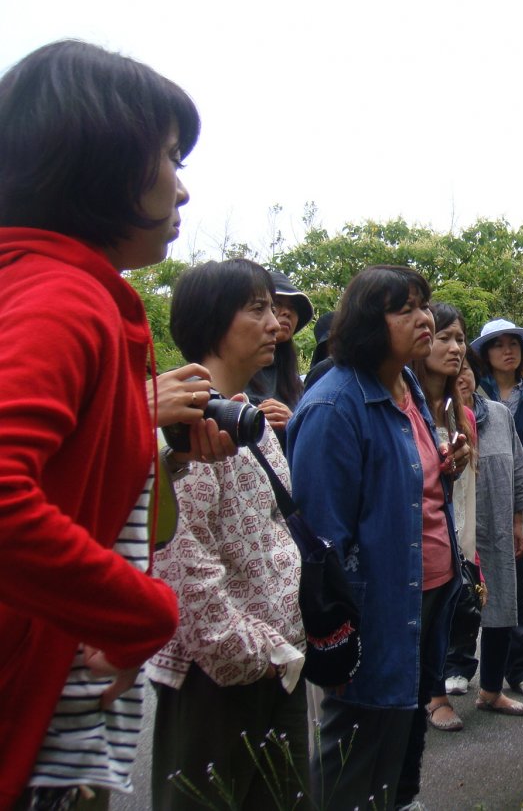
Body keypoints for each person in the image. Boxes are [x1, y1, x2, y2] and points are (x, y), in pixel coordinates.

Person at [0, 39, 196, 807]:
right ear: (99, 156)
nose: (182, 191)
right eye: (171, 158)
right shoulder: (64, 297)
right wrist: (142, 612)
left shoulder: (49, 289)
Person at [288, 266, 468, 811]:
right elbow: (322, 541)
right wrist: (341, 631)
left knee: (396, 740)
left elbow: (409, 483)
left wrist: (447, 467)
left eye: (424, 306)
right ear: (369, 322)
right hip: (378, 608)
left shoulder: (407, 385)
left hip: (430, 590)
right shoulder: (334, 406)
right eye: (406, 308)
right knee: (355, 747)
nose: (424, 319)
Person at [148, 259, 307, 810]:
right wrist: (260, 654)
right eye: (258, 309)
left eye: (276, 310)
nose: (275, 323)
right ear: (215, 320)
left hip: (276, 664)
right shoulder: (182, 427)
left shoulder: (248, 418)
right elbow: (182, 570)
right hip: (214, 680)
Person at [430, 332, 523, 727]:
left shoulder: (500, 416)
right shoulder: (434, 418)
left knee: (503, 606)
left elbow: (520, 471)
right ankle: (436, 695)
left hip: (498, 528)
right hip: (452, 533)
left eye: (468, 368)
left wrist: (519, 521)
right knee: (447, 613)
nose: (463, 375)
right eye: (455, 369)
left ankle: (491, 690)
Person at [472, 317, 523, 698]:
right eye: (498, 343)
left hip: (517, 499)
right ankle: (458, 664)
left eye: (514, 342)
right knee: (466, 586)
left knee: (516, 587)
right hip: (473, 498)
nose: (508, 349)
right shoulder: (471, 390)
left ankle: (520, 668)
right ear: (484, 353)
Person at [246, 270, 314, 442]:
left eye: (293, 308)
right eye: (277, 305)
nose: (286, 313)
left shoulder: (293, 381)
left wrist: (293, 422)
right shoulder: (234, 370)